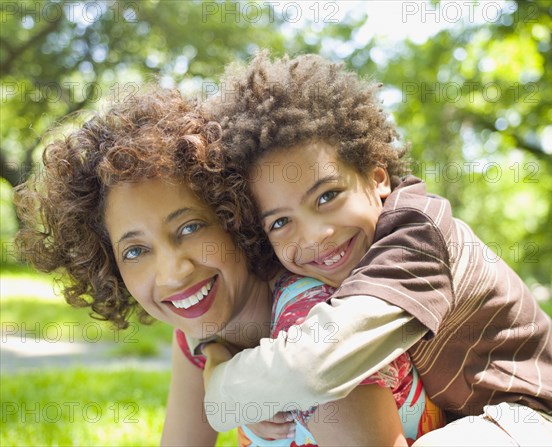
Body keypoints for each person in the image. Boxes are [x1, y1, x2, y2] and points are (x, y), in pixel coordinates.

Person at [202, 52, 552, 446]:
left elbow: (315, 365)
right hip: (467, 422)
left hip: (541, 420)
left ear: (377, 178)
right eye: (280, 221)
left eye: (327, 196)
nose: (314, 235)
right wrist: (215, 352)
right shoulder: (331, 257)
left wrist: (223, 389)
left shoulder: (416, 236)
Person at [13, 86, 417, 446]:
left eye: (190, 227)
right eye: (135, 251)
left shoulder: (306, 319)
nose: (174, 273)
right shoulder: (199, 336)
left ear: (235, 218)